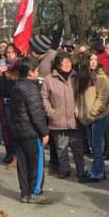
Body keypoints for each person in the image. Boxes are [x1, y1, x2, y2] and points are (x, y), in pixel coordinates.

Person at [11, 58, 51, 204]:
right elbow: (37, 113)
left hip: (19, 131)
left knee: (22, 163)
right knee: (37, 163)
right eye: (36, 70)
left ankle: (24, 192)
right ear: (30, 72)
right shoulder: (30, 88)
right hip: (31, 132)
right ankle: (35, 191)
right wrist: (44, 132)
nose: (38, 73)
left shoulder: (17, 86)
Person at [42, 51, 84, 179]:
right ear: (57, 65)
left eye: (69, 62)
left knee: (77, 147)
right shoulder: (49, 79)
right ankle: (64, 170)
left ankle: (81, 170)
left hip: (74, 119)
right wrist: (51, 112)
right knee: (61, 147)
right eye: (64, 62)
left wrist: (80, 110)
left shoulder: (76, 77)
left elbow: (82, 95)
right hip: (57, 119)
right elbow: (44, 97)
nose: (67, 65)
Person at [75, 52, 109, 182]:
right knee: (93, 145)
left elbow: (103, 98)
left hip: (98, 116)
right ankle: (99, 169)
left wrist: (93, 112)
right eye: (91, 59)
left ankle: (97, 172)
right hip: (86, 117)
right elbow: (79, 96)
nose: (93, 62)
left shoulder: (102, 77)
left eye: (95, 59)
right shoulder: (82, 77)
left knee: (96, 145)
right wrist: (78, 110)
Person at [0, 49, 18, 168]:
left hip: (14, 100)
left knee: (13, 129)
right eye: (8, 52)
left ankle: (16, 156)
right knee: (5, 127)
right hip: (2, 99)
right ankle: (9, 153)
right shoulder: (1, 64)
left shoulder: (19, 65)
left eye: (12, 52)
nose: (9, 54)